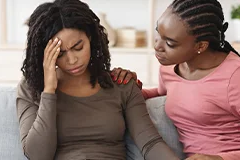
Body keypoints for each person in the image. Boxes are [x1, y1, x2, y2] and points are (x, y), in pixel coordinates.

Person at [112, 0, 240, 159]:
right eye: (159, 33)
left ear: (201, 45)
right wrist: (129, 87)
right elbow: (165, 94)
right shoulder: (169, 68)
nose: (157, 46)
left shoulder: (238, 76)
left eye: (170, 43)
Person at [16, 0, 180, 159]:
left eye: (78, 47)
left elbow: (150, 143)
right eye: (60, 53)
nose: (72, 60)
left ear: (91, 39)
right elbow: (37, 155)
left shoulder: (121, 84)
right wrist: (49, 91)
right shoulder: (32, 88)